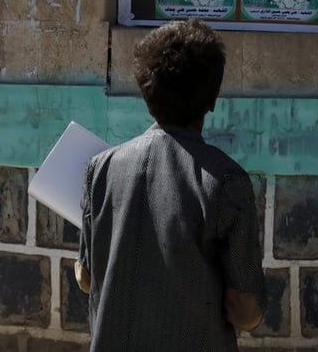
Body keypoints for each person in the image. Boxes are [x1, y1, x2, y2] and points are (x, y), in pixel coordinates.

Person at [76, 19, 265, 351]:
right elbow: (245, 310)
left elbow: (86, 278)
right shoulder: (226, 181)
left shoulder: (100, 168)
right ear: (212, 99)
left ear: (145, 91)